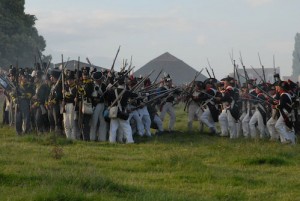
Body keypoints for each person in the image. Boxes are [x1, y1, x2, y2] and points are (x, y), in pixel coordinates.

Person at [105, 75, 138, 143]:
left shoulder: (112, 91)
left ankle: (112, 141)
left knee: (113, 128)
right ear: (124, 83)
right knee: (127, 128)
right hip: (122, 112)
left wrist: (108, 90)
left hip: (114, 111)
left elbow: (107, 99)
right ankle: (130, 141)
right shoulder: (126, 92)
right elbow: (135, 95)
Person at [90, 71, 108, 141]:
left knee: (103, 122)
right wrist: (94, 100)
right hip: (95, 105)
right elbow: (90, 96)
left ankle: (102, 138)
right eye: (100, 79)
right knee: (94, 122)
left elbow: (106, 96)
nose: (101, 80)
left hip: (102, 105)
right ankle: (92, 138)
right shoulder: (92, 86)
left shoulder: (103, 86)